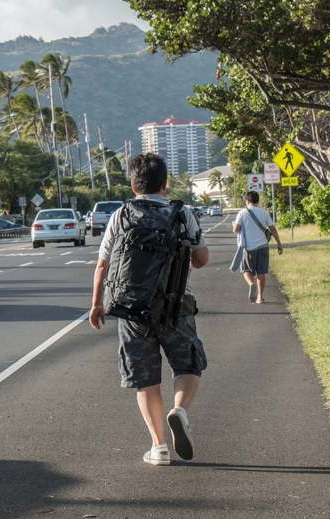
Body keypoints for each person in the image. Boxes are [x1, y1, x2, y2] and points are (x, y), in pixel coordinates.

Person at [89, 152, 210, 466]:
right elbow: (201, 259)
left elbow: (102, 266)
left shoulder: (121, 215)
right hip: (176, 305)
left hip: (131, 309)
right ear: (166, 184)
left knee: (145, 379)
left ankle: (158, 448)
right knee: (188, 366)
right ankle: (179, 411)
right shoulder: (183, 214)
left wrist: (96, 304)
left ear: (133, 185)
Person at [233, 191, 282, 303]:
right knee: (261, 272)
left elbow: (235, 230)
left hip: (249, 248)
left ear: (247, 201)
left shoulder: (242, 213)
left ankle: (251, 284)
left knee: (246, 270)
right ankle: (260, 297)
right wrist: (279, 243)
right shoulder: (264, 212)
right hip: (263, 246)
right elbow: (272, 229)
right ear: (258, 201)